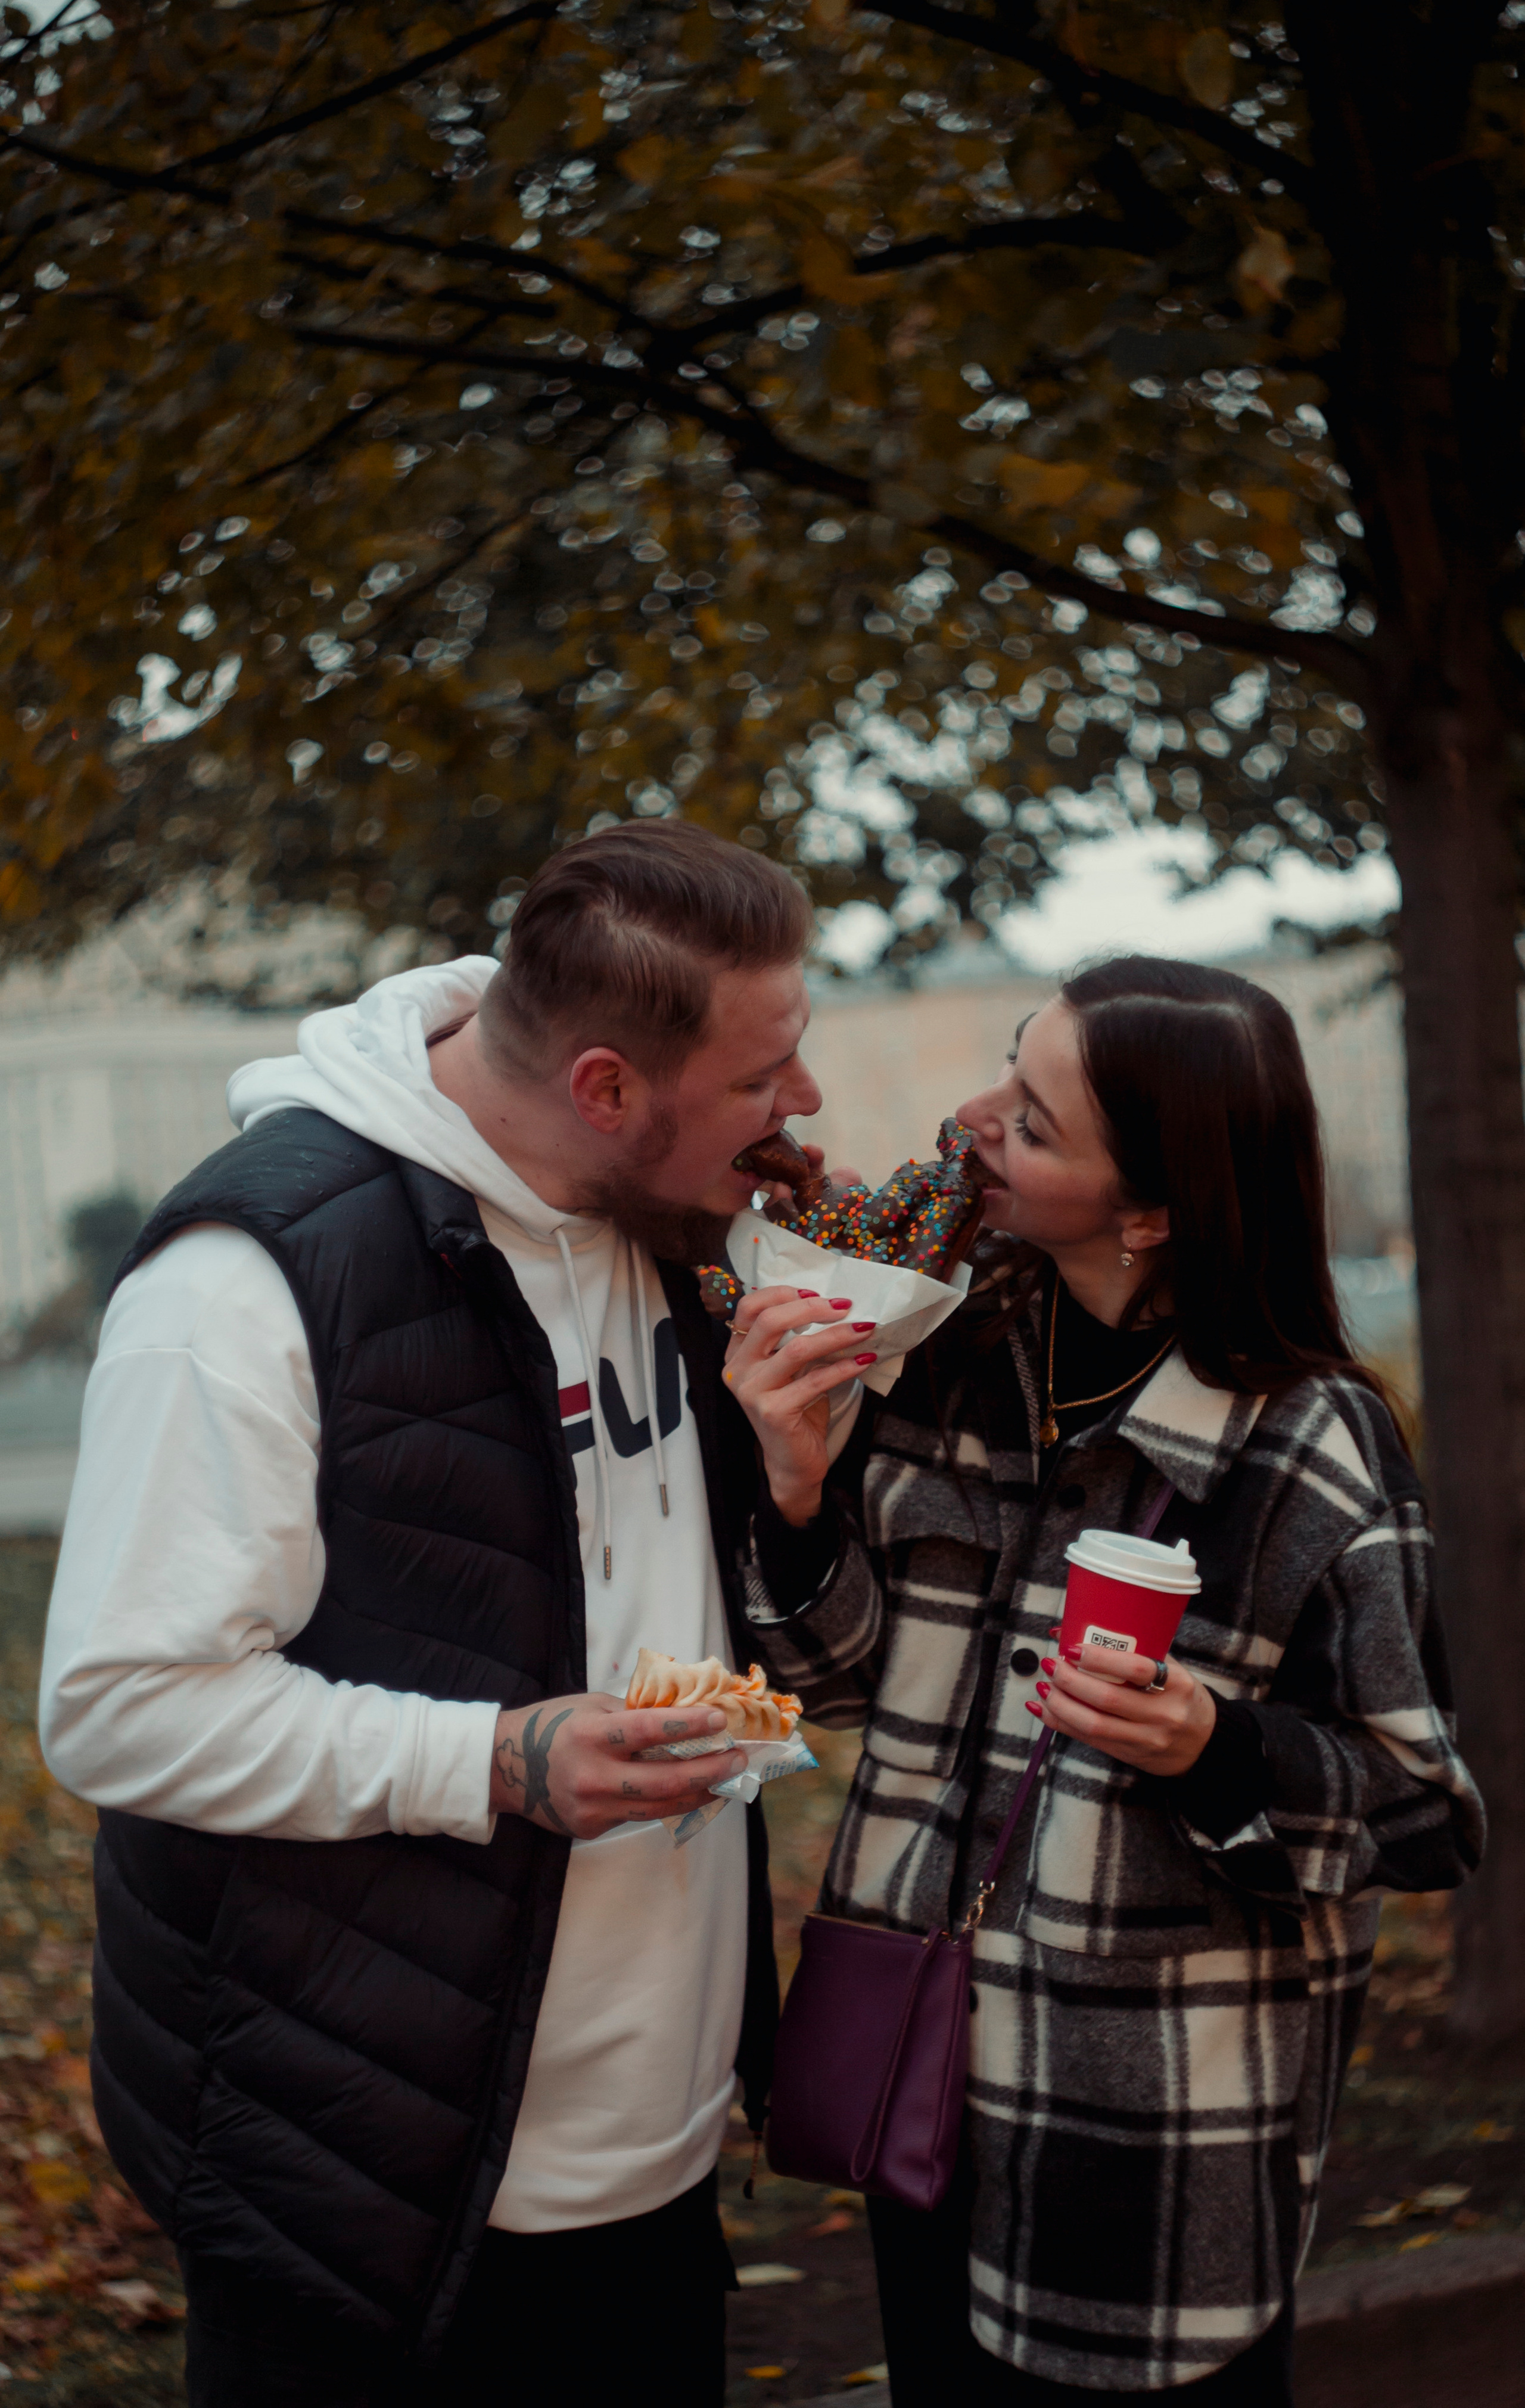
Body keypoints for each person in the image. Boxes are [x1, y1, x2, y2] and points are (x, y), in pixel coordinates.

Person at [39, 822, 867, 2407]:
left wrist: (794, 1464)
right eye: (766, 1075)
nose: (806, 1103)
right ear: (606, 1087)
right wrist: (496, 1759)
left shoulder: (672, 1215)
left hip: (656, 2150)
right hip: (369, 2188)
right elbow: (118, 1704)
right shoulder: (246, 1281)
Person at [724, 956, 1484, 2404]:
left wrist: (1214, 1745)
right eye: (1009, 1069)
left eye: (1030, 1121)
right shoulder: (941, 1355)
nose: (972, 1119)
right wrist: (799, 1489)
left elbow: (1419, 1814)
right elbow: (827, 1680)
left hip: (1146, 2142)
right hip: (917, 2083)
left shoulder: (1307, 1446)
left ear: (1148, 1210)